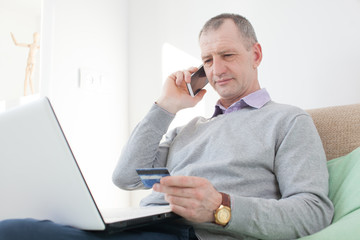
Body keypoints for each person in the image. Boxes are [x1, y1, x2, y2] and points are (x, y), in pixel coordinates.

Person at [0, 13, 333, 240]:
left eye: (227, 55)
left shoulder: (288, 121)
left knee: (14, 233)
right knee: (21, 226)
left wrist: (221, 206)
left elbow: (313, 212)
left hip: (193, 234)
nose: (216, 70)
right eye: (207, 60)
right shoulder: (187, 128)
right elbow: (126, 177)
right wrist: (166, 106)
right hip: (143, 224)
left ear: (255, 54)